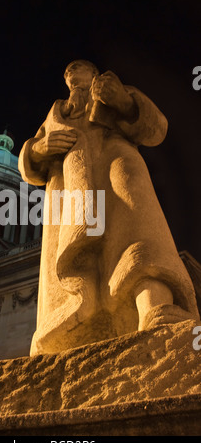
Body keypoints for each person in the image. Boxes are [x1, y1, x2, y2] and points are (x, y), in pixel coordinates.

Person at [19, 59, 199, 355]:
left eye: (81, 72)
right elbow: (29, 168)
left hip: (116, 163)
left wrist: (124, 101)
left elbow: (156, 129)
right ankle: (73, 326)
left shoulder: (115, 91)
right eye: (69, 75)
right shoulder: (55, 115)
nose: (74, 77)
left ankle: (155, 306)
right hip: (71, 186)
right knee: (78, 256)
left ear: (94, 74)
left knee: (137, 230)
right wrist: (39, 148)